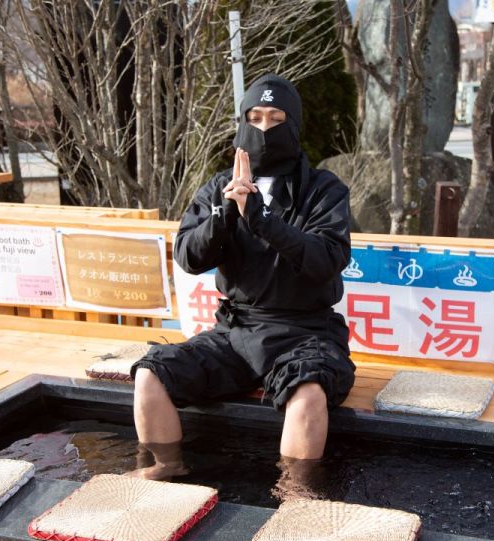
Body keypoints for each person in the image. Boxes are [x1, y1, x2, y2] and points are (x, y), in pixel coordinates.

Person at [127, 74, 355, 485]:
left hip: (306, 330)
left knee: (307, 394)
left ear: (294, 124)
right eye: (255, 117)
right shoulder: (218, 187)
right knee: (150, 373)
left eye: (275, 117)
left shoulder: (324, 190)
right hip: (234, 329)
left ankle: (296, 494)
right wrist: (224, 215)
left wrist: (263, 220)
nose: (264, 128)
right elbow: (188, 258)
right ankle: (166, 466)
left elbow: (327, 259)